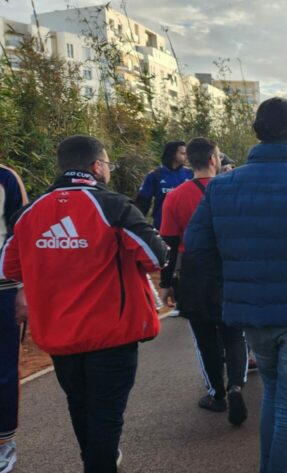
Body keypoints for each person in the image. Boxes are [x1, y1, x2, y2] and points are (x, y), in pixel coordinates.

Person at [186, 97, 287, 472]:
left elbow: (196, 247)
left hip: (253, 310)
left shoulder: (222, 186)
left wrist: (233, 280)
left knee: (276, 397)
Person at [1, 135, 168, 472]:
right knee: (106, 414)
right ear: (96, 167)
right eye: (107, 163)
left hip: (59, 336)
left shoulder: (28, 213)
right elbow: (156, 257)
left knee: (80, 406)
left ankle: (94, 460)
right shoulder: (114, 206)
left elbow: (8, 267)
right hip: (112, 333)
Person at [158, 138, 249, 423]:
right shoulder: (235, 190)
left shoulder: (174, 196)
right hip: (232, 268)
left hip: (194, 271)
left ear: (190, 161)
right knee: (235, 332)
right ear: (212, 159)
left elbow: (169, 244)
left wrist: (165, 283)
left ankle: (216, 394)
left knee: (204, 336)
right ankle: (236, 384)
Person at [0, 162, 27, 473]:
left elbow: (21, 233)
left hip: (3, 290)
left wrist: (23, 288)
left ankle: (4, 442)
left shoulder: (6, 178)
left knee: (4, 371)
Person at [136, 140, 193, 230]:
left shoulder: (191, 174)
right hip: (162, 227)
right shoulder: (155, 175)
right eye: (183, 153)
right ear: (172, 154)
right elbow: (142, 203)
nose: (186, 157)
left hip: (186, 228)